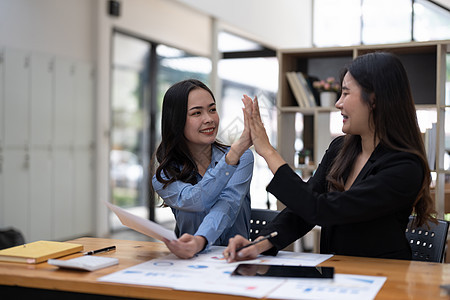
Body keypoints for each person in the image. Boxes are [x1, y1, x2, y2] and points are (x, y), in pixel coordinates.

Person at [224, 52, 436, 262]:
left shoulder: (405, 167)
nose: (338, 103)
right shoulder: (340, 148)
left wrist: (268, 152)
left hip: (383, 280)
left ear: (374, 100)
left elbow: (321, 209)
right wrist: (261, 243)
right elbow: (303, 210)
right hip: (336, 274)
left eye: (345, 93)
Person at [152, 79, 254, 259]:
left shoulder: (242, 157)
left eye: (212, 109)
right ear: (176, 121)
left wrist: (201, 240)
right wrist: (232, 157)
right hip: (189, 262)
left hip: (235, 260)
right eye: (196, 113)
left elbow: (227, 204)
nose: (209, 119)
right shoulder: (164, 176)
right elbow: (196, 201)